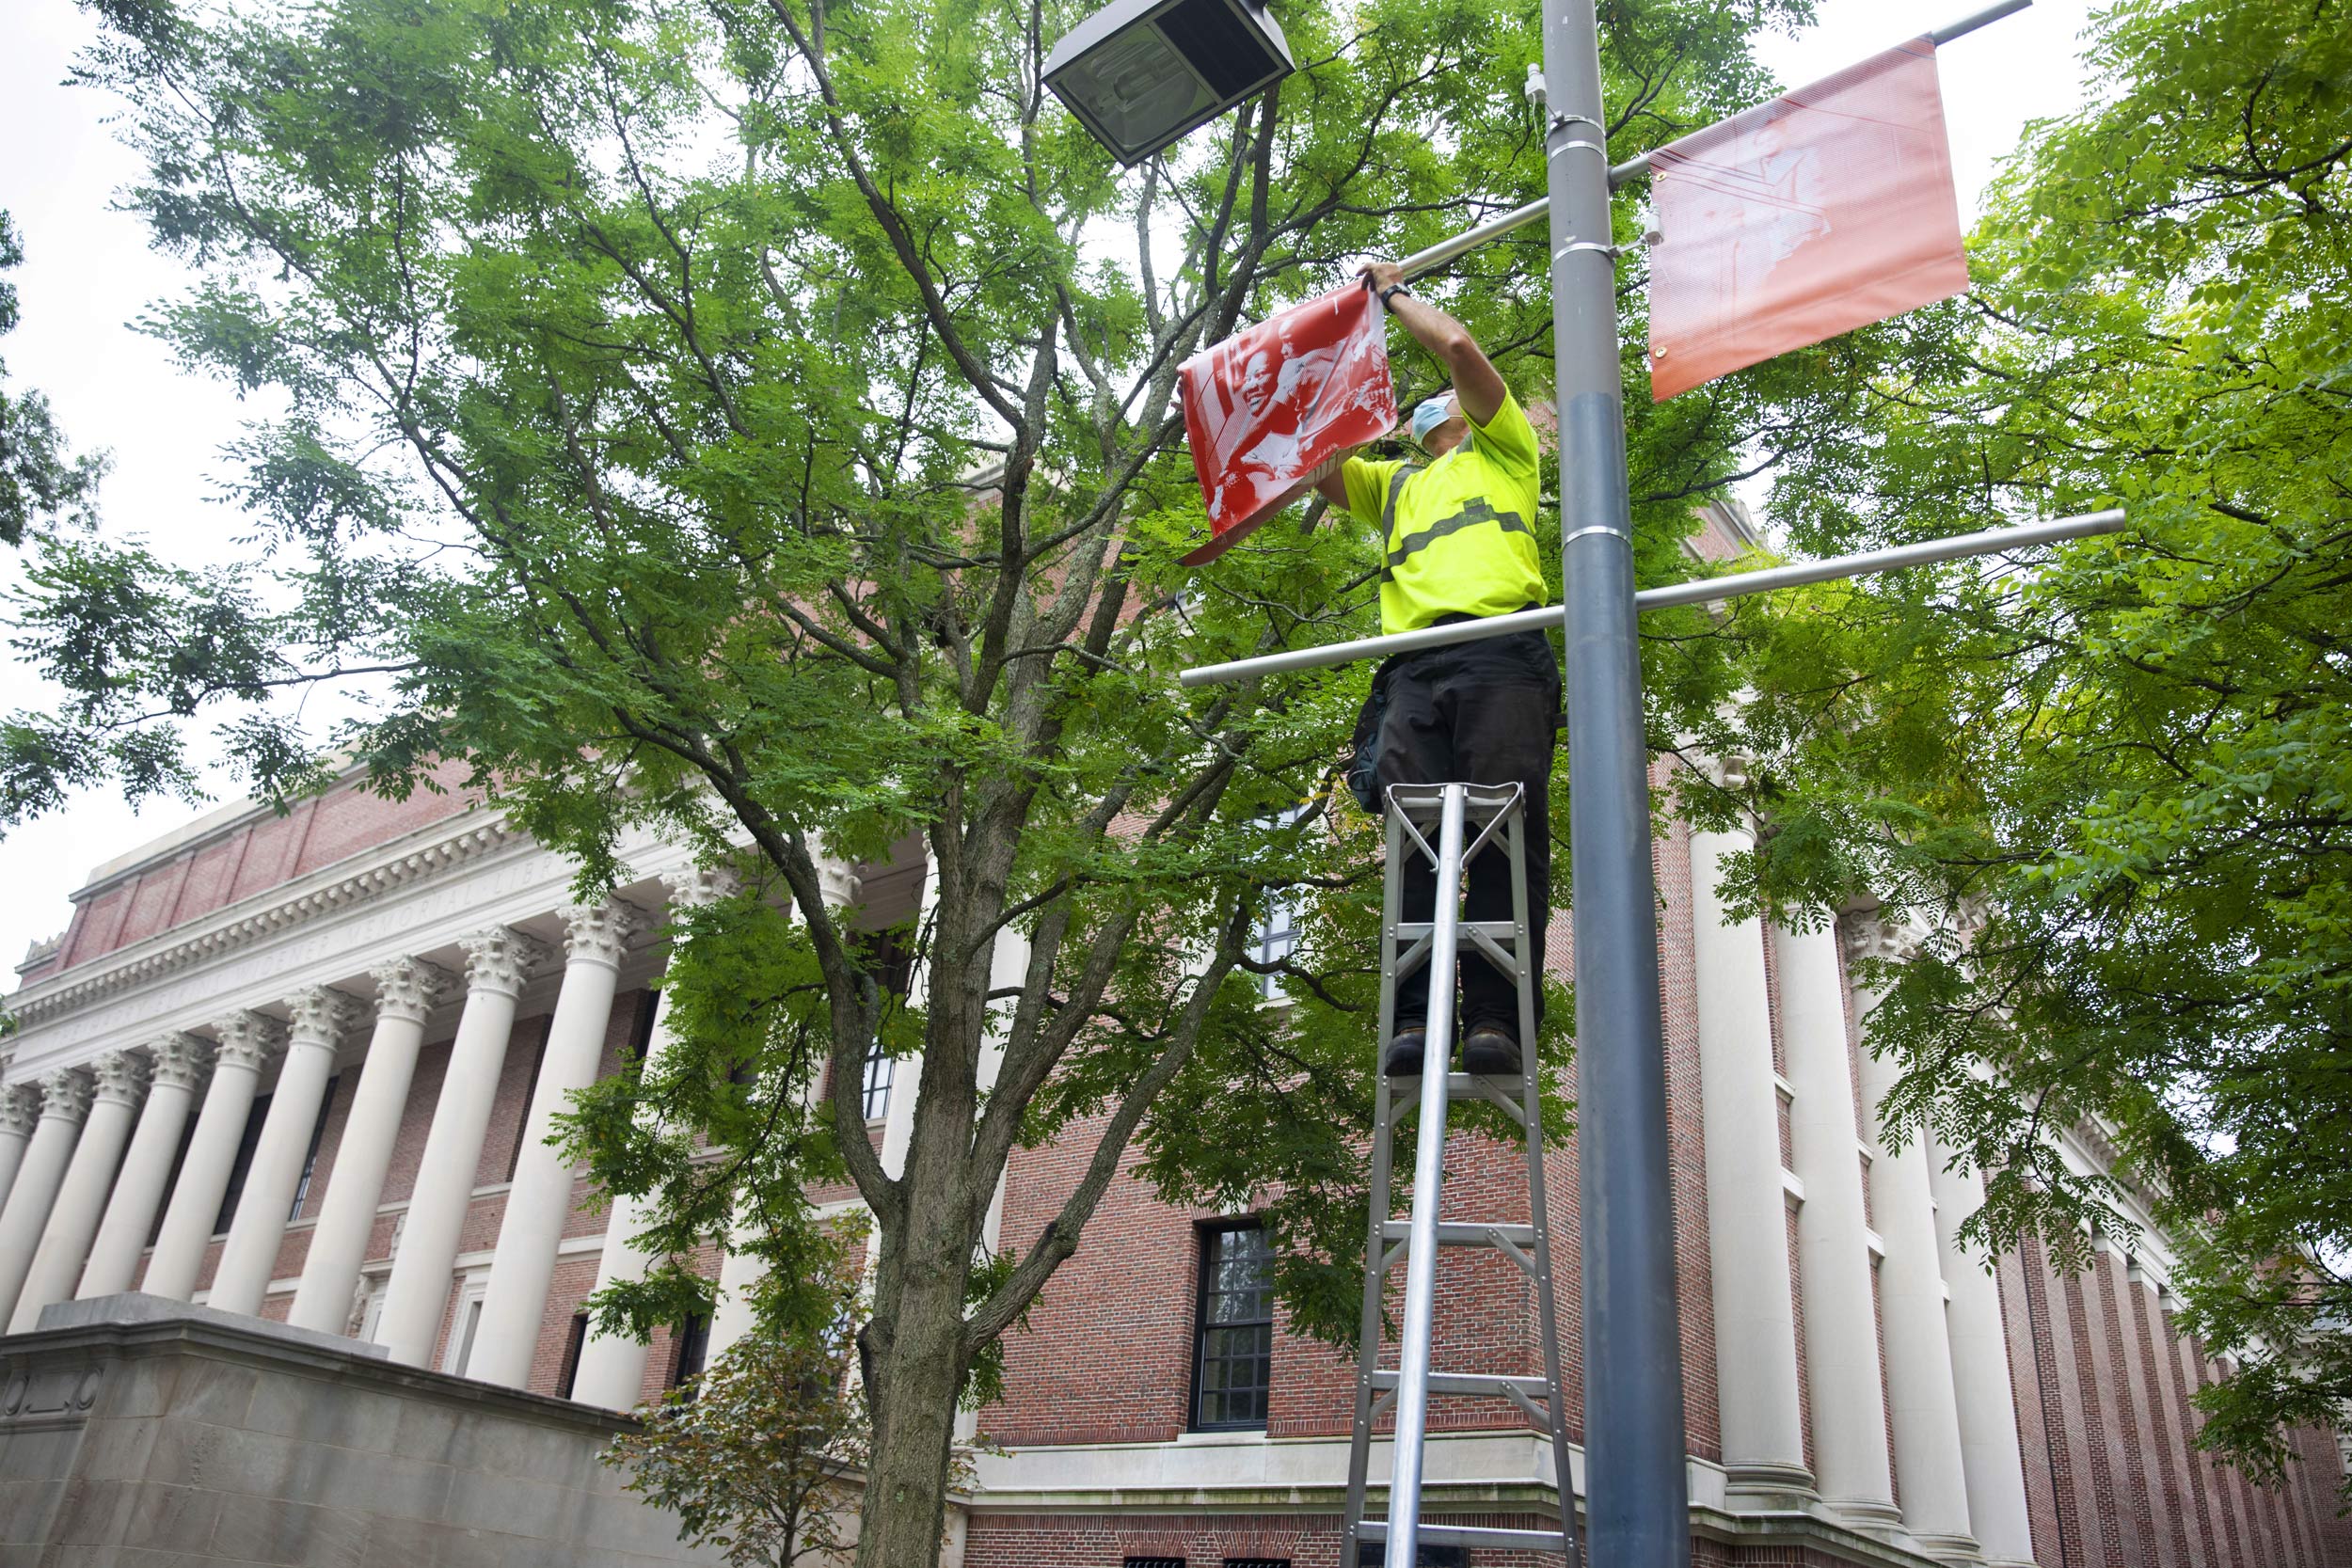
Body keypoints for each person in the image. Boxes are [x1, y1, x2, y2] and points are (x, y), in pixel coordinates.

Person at [1314, 261, 1557, 1079]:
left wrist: (1387, 297)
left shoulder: (1504, 450)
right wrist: (1338, 354)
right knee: (1416, 841)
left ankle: (1495, 1020)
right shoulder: (1395, 486)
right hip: (1414, 666)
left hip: (1501, 651)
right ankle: (1415, 1019)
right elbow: (1317, 461)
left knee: (1501, 832)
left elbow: (1455, 344)